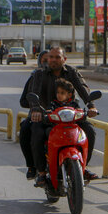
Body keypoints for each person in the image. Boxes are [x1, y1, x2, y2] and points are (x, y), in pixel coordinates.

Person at [27, 46, 99, 187]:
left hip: (71, 115)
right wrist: (36, 110)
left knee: (89, 131)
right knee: (36, 133)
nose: (53, 60)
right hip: (46, 116)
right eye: (51, 57)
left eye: (57, 57)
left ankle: (82, 168)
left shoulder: (72, 72)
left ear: (64, 59)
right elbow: (33, 93)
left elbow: (83, 88)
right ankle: (41, 173)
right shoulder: (39, 74)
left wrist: (91, 106)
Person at [34, 78, 81, 186]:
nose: (59, 95)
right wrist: (47, 113)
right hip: (57, 131)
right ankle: (45, 166)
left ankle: (84, 168)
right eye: (58, 93)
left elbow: (79, 112)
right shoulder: (54, 104)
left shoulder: (74, 105)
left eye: (62, 93)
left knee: (85, 133)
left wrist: (86, 113)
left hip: (71, 131)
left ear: (69, 95)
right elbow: (48, 112)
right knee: (46, 133)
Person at [19, 50, 49, 180]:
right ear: (39, 62)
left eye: (52, 59)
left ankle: (82, 167)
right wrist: (35, 107)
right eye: (45, 60)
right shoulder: (34, 77)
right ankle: (32, 166)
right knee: (25, 130)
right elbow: (23, 101)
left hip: (60, 115)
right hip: (38, 116)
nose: (49, 62)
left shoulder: (63, 76)